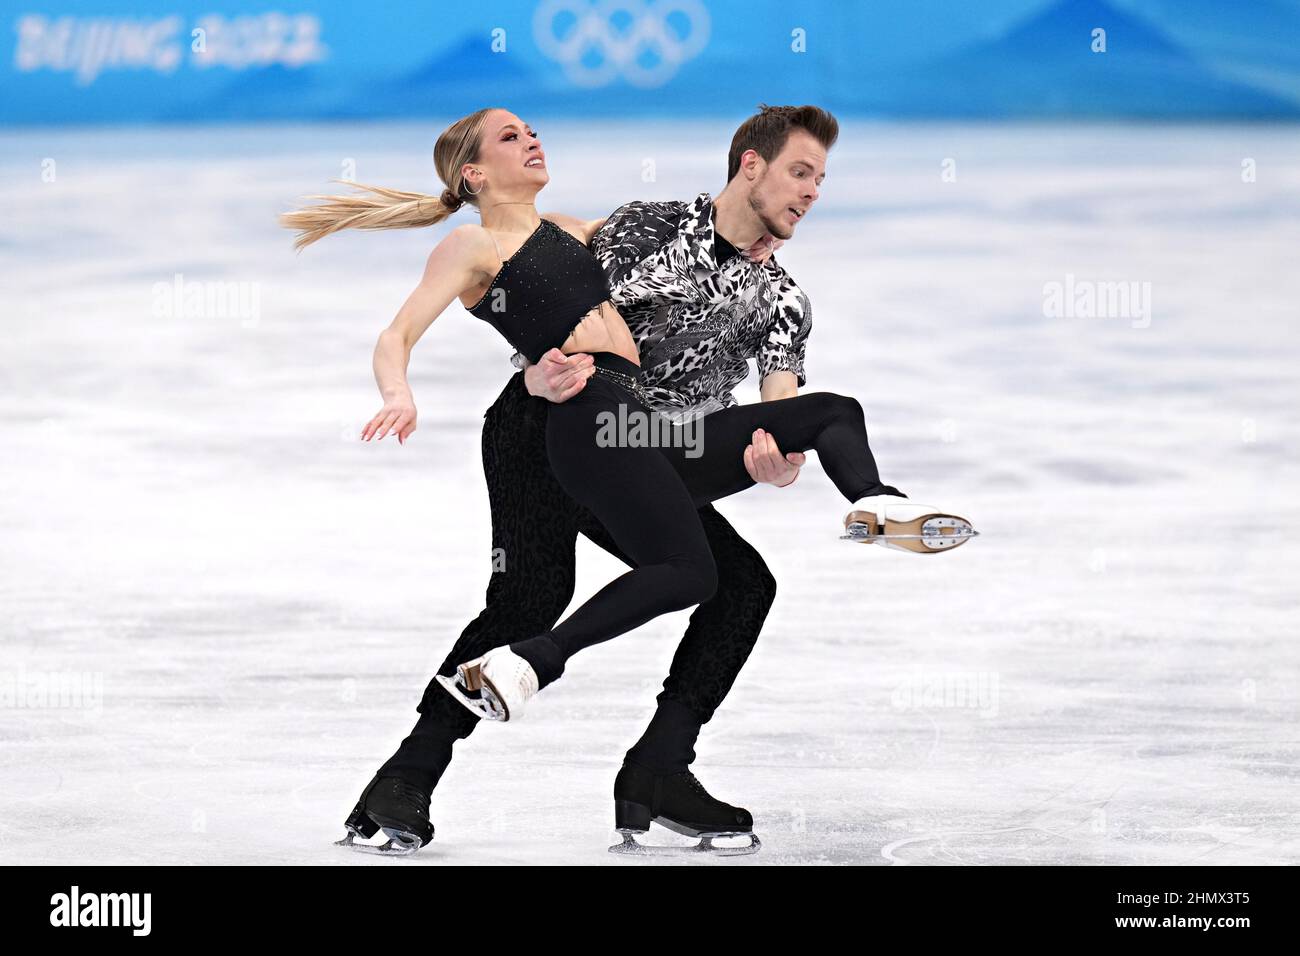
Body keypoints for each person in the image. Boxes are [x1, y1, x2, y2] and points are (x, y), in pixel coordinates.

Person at [280, 105, 975, 855]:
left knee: (739, 584)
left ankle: (658, 771)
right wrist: (444, 389)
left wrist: (776, 463)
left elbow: (781, 411)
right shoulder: (641, 228)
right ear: (750, 165)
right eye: (799, 173)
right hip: (542, 424)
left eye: (819, 180)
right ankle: (407, 778)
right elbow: (534, 308)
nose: (810, 192)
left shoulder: (781, 300)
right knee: (529, 598)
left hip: (643, 440)